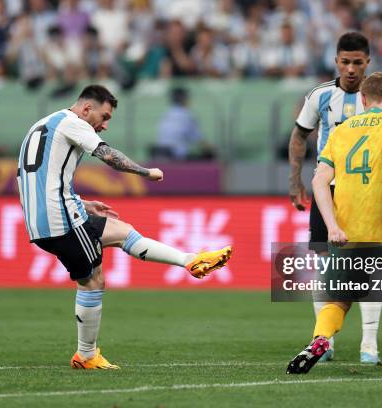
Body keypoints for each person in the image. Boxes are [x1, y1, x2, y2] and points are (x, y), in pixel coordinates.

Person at [17, 85, 232, 369]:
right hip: (60, 220)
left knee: (121, 231)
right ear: (86, 109)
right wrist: (146, 172)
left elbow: (41, 177)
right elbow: (108, 156)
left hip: (48, 215)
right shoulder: (73, 122)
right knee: (93, 280)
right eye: (104, 117)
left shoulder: (45, 123)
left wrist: (82, 202)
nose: (104, 125)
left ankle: (190, 261)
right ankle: (86, 355)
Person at [287, 72, 382, 375]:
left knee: (339, 298)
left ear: (363, 100)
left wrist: (332, 226)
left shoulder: (341, 132)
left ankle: (320, 339)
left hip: (346, 232)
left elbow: (319, 181)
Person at [287, 32, 382, 364]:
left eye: (358, 62)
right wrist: (294, 179)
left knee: (370, 264)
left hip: (368, 189)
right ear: (336, 61)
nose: (352, 68)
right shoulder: (321, 95)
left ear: (368, 62)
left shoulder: (381, 98)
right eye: (346, 62)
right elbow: (299, 136)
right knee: (325, 265)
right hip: (326, 189)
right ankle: (324, 340)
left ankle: (369, 343)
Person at [152, 86, 214, 160]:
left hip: (161, 152)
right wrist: (212, 149)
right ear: (185, 99)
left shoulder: (166, 113)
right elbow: (199, 140)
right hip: (177, 155)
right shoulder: (187, 115)